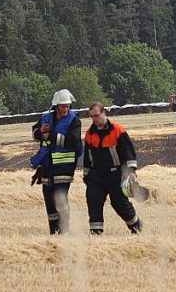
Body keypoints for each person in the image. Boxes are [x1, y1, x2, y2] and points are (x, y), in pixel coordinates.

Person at [83, 103, 144, 235]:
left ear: (104, 113)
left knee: (119, 204)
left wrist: (132, 171)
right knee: (93, 202)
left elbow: (128, 152)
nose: (95, 119)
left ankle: (136, 226)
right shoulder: (89, 134)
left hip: (116, 175)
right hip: (96, 176)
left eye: (97, 115)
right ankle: (96, 232)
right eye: (92, 117)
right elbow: (87, 159)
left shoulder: (117, 130)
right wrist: (86, 176)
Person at [30, 90, 82, 234]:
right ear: (56, 106)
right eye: (63, 106)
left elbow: (72, 141)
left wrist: (51, 135)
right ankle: (54, 231)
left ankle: (64, 229)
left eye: (68, 106)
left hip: (65, 166)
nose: (66, 109)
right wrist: (41, 132)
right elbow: (35, 133)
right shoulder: (46, 118)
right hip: (47, 165)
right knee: (48, 198)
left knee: (60, 197)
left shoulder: (74, 120)